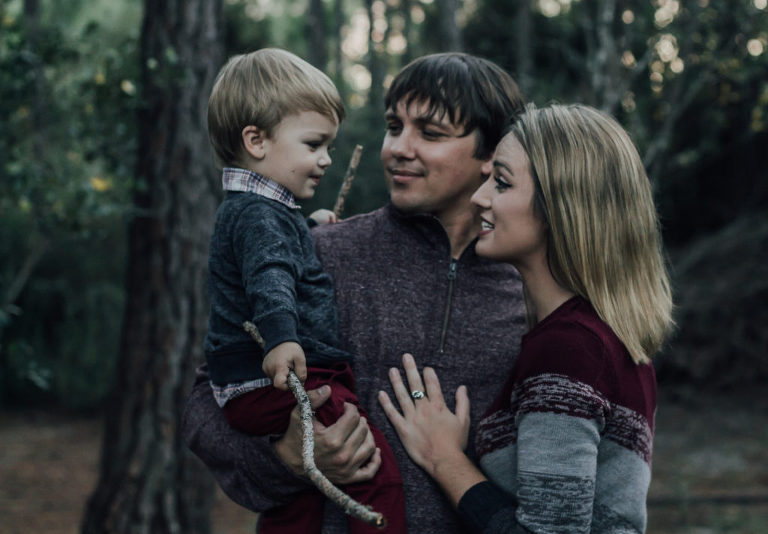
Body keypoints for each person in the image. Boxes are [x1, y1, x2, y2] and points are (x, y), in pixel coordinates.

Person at [182, 52, 528, 533]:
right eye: (393, 126)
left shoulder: (529, 292)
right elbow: (206, 404)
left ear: (490, 154)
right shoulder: (321, 253)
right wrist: (288, 458)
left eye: (429, 133)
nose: (398, 149)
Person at [379, 103, 675, 533]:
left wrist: (446, 460)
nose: (479, 198)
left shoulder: (569, 349)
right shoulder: (599, 335)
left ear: (561, 206)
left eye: (501, 183)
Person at [203, 48, 405, 533]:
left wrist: (306, 230)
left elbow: (270, 252)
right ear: (256, 140)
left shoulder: (259, 210)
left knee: (299, 503)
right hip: (279, 379)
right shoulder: (259, 215)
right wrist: (281, 337)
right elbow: (269, 272)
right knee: (377, 477)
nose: (325, 159)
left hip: (245, 383)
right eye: (314, 144)